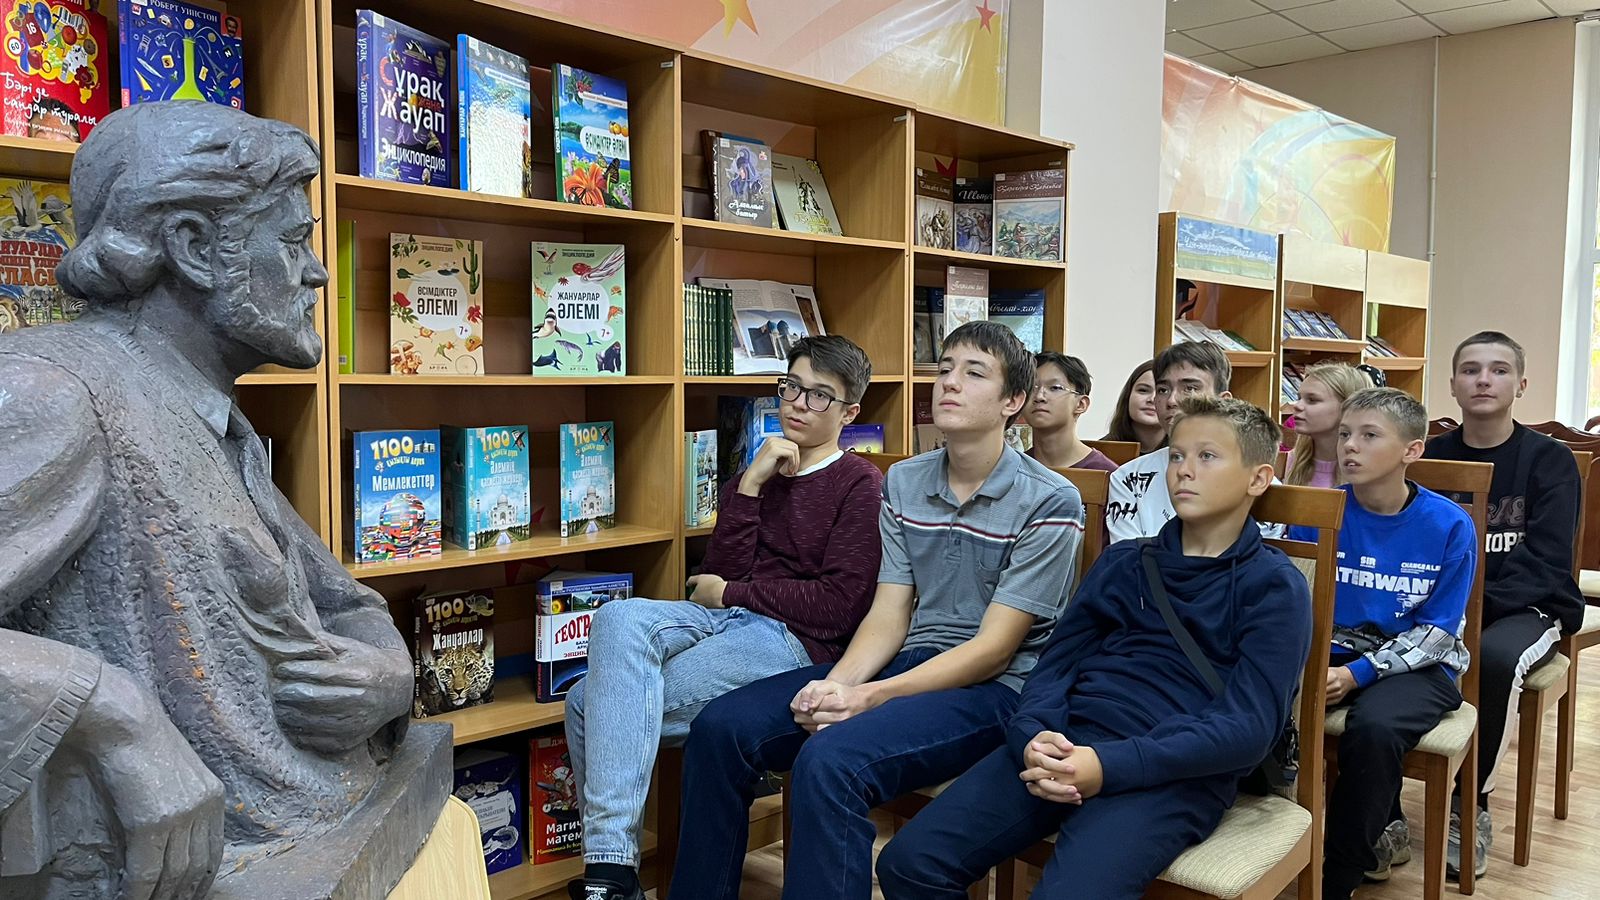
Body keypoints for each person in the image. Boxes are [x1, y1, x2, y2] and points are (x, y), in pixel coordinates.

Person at [0, 103, 419, 897]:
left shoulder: (211, 415)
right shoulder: (55, 393)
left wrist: (388, 677)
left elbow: (342, 600)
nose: (319, 273)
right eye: (293, 241)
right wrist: (113, 714)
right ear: (195, 246)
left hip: (318, 810)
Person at [667, 321, 1084, 900]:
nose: (949, 383)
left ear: (1013, 401)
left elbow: (994, 650)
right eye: (944, 369)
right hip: (907, 659)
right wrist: (836, 687)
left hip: (997, 690)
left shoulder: (1051, 499)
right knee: (720, 728)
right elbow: (888, 613)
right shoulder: (905, 480)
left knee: (829, 760)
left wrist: (869, 698)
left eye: (974, 373)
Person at [874, 395, 1312, 899]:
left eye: (1207, 456)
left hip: (1174, 768)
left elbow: (1248, 728)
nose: (1184, 470)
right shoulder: (1125, 563)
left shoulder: (1274, 587)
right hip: (1065, 741)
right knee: (910, 863)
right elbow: (1055, 666)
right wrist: (1034, 734)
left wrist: (1108, 766)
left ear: (1258, 479)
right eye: (1176, 455)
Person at [565, 335, 885, 900]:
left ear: (849, 412)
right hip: (725, 620)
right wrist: (753, 485)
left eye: (819, 395)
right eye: (791, 387)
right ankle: (613, 872)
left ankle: (610, 874)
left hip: (791, 642)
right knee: (617, 617)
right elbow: (714, 574)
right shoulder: (756, 473)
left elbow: (839, 606)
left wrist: (734, 592)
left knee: (585, 702)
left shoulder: (860, 484)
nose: (798, 403)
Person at [1301, 388, 1476, 900]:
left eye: (1369, 435)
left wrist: (1355, 674)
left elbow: (1438, 633)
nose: (1350, 446)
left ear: (1411, 450)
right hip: (1329, 653)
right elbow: (1292, 596)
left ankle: (1339, 875)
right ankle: (1270, 847)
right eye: (1345, 434)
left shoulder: (1449, 524)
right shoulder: (1318, 511)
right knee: (1254, 698)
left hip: (1422, 666)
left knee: (1374, 729)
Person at [1423, 331, 1583, 880]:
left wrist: (1473, 609)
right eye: (1470, 370)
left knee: (1492, 659)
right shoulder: (1428, 455)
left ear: (1521, 384)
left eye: (1498, 370)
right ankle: (1382, 807)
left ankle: (1471, 807)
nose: (1483, 380)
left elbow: (1547, 560)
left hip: (1530, 606)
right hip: (1447, 603)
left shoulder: (1550, 460)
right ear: (1452, 384)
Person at [1106, 342, 1235, 542]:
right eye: (1163, 390)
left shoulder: (1250, 477)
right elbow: (1125, 556)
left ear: (1223, 401)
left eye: (1190, 388)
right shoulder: (1128, 478)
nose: (1172, 400)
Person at [1285, 362, 1373, 488]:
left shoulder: (1373, 471)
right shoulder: (1286, 463)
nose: (1297, 406)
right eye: (1299, 398)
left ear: (1347, 407)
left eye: (1312, 400)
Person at [1027, 351, 1117, 472]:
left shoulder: (1106, 473)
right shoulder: (1014, 467)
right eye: (1031, 387)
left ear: (1081, 404)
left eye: (1055, 388)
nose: (1039, 396)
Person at [1102, 359, 1164, 453]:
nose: (1152, 399)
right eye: (1143, 390)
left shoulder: (1185, 453)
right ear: (1128, 395)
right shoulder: (1100, 453)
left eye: (1162, 391)